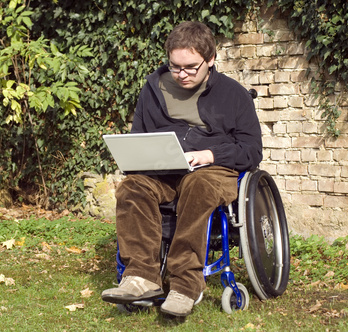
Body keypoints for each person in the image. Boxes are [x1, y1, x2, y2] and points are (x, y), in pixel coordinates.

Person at [101, 21, 263, 317]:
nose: (182, 74)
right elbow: (141, 136)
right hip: (164, 171)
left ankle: (186, 285)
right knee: (132, 188)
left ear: (210, 59)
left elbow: (252, 151)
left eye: (190, 67)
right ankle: (141, 277)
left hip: (213, 171)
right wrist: (138, 157)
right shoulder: (153, 88)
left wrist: (210, 154)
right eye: (175, 67)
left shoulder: (234, 95)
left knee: (197, 186)